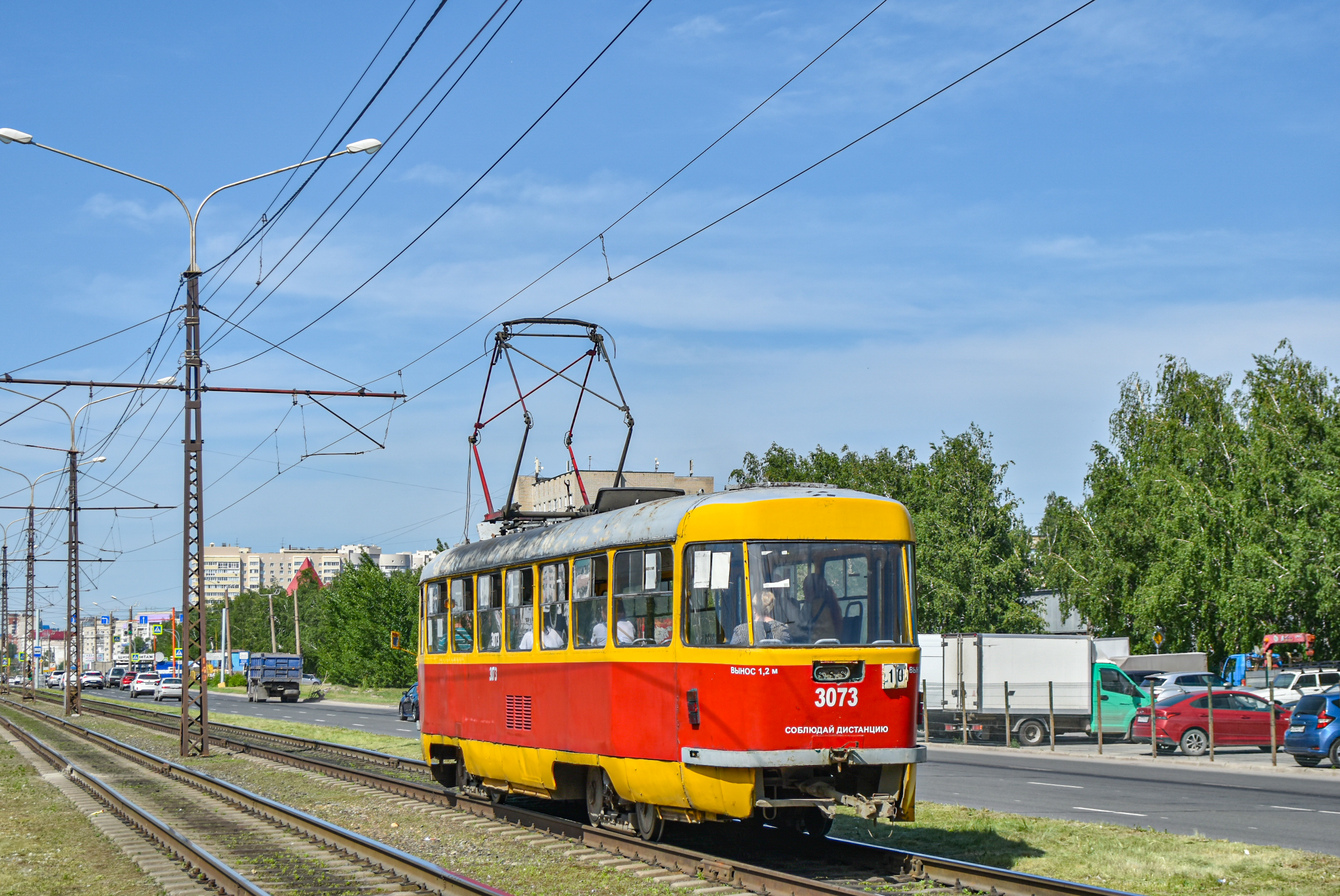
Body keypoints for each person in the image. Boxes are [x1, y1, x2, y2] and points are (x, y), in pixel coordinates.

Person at [802, 572, 842, 642]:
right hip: (830, 642)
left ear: (812, 591)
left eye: (805, 589)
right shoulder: (828, 603)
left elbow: (801, 625)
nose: (804, 593)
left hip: (820, 644)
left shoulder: (815, 605)